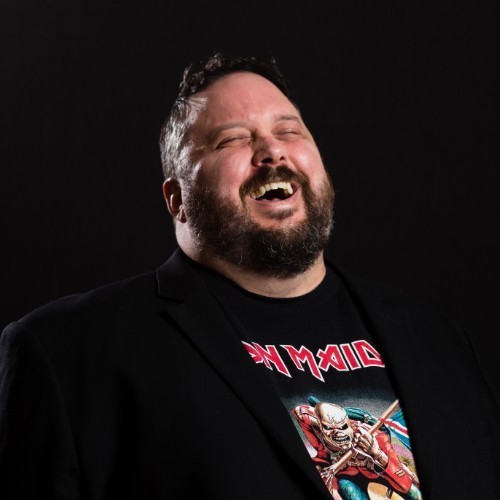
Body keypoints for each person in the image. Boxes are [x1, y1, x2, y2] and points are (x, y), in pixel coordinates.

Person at [0, 52, 499, 500]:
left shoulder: (438, 341)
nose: (272, 152)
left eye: (290, 131)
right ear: (177, 199)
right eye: (232, 139)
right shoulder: (70, 353)